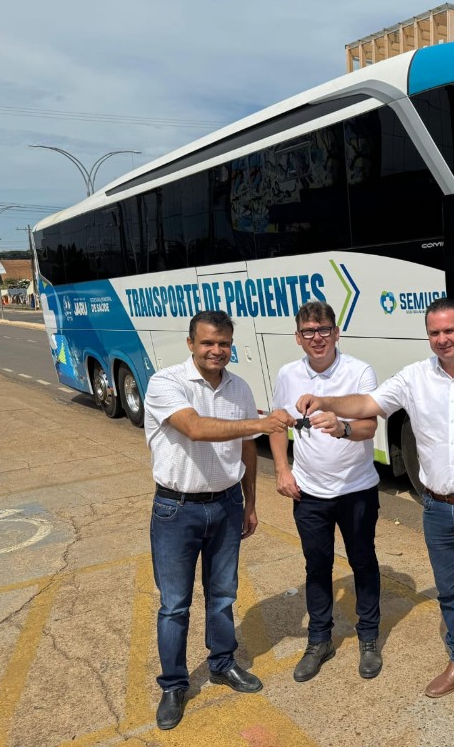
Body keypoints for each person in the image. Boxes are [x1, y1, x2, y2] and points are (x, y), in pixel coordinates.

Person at [297, 297, 454, 730]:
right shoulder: (414, 378)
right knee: (450, 592)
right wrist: (326, 400)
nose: (442, 340)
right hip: (436, 509)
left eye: (449, 331)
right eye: (434, 333)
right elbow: (368, 405)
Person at [144, 310, 295, 731]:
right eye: (208, 342)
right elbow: (193, 428)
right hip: (176, 509)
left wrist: (249, 502)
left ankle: (222, 663)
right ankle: (174, 685)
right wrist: (262, 422)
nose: (216, 351)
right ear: (191, 343)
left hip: (226, 504)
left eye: (224, 343)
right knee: (174, 605)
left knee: (223, 595)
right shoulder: (166, 383)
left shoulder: (239, 387)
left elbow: (247, 449)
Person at [268, 301, 383, 683]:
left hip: (356, 490)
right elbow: (277, 424)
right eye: (308, 331)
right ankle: (320, 640)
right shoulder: (288, 374)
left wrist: (345, 428)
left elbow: (370, 427)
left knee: (362, 561)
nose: (317, 338)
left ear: (336, 333)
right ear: (298, 338)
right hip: (310, 493)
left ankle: (368, 638)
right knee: (317, 566)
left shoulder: (359, 371)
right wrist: (283, 470)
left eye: (323, 330)